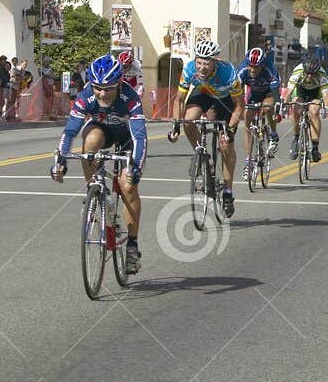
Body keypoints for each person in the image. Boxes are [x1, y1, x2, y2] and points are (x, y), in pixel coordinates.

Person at [51, 53, 149, 275]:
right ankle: (94, 190)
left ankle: (132, 246)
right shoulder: (86, 96)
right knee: (90, 143)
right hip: (102, 131)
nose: (102, 93)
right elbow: (70, 131)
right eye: (98, 88)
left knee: (127, 187)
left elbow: (139, 138)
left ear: (119, 84)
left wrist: (135, 167)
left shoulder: (130, 98)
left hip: (127, 137)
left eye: (109, 88)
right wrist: (60, 160)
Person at [170, 37, 244, 217]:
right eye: (199, 63)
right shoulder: (189, 69)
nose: (202, 67)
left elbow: (239, 106)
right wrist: (176, 126)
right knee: (188, 120)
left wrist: (230, 129)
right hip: (202, 94)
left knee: (225, 144)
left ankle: (227, 192)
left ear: (215, 63)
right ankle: (202, 156)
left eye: (206, 64)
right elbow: (179, 100)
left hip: (225, 101)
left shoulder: (228, 73)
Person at [236, 45, 281, 181]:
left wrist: (277, 106)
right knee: (247, 118)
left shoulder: (269, 69)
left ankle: (273, 135)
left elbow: (275, 93)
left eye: (256, 67)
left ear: (262, 65)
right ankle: (248, 162)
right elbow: (236, 89)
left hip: (268, 92)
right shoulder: (243, 69)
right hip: (254, 93)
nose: (252, 69)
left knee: (267, 108)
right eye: (250, 66)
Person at [282, 54, 328, 164]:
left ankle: (315, 147)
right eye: (307, 73)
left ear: (316, 72)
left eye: (312, 74)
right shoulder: (297, 72)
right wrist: (284, 104)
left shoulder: (322, 75)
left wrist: (326, 109)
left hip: (315, 92)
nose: (309, 76)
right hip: (300, 90)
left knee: (314, 112)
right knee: (295, 106)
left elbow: (326, 96)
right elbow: (288, 93)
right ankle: (296, 138)